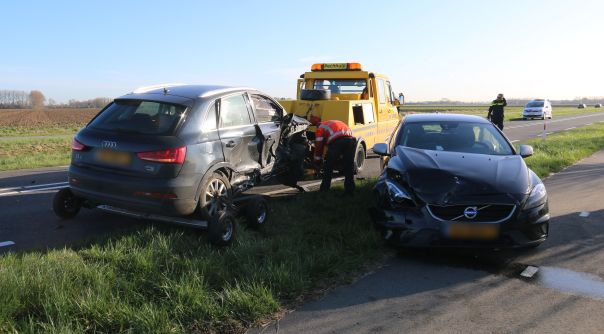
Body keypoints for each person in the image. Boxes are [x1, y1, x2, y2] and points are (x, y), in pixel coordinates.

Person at [310, 116, 356, 195]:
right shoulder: (330, 123)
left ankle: (324, 190)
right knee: (349, 167)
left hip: (337, 142)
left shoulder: (320, 128)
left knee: (328, 166)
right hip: (351, 141)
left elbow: (319, 146)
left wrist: (317, 160)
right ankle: (350, 191)